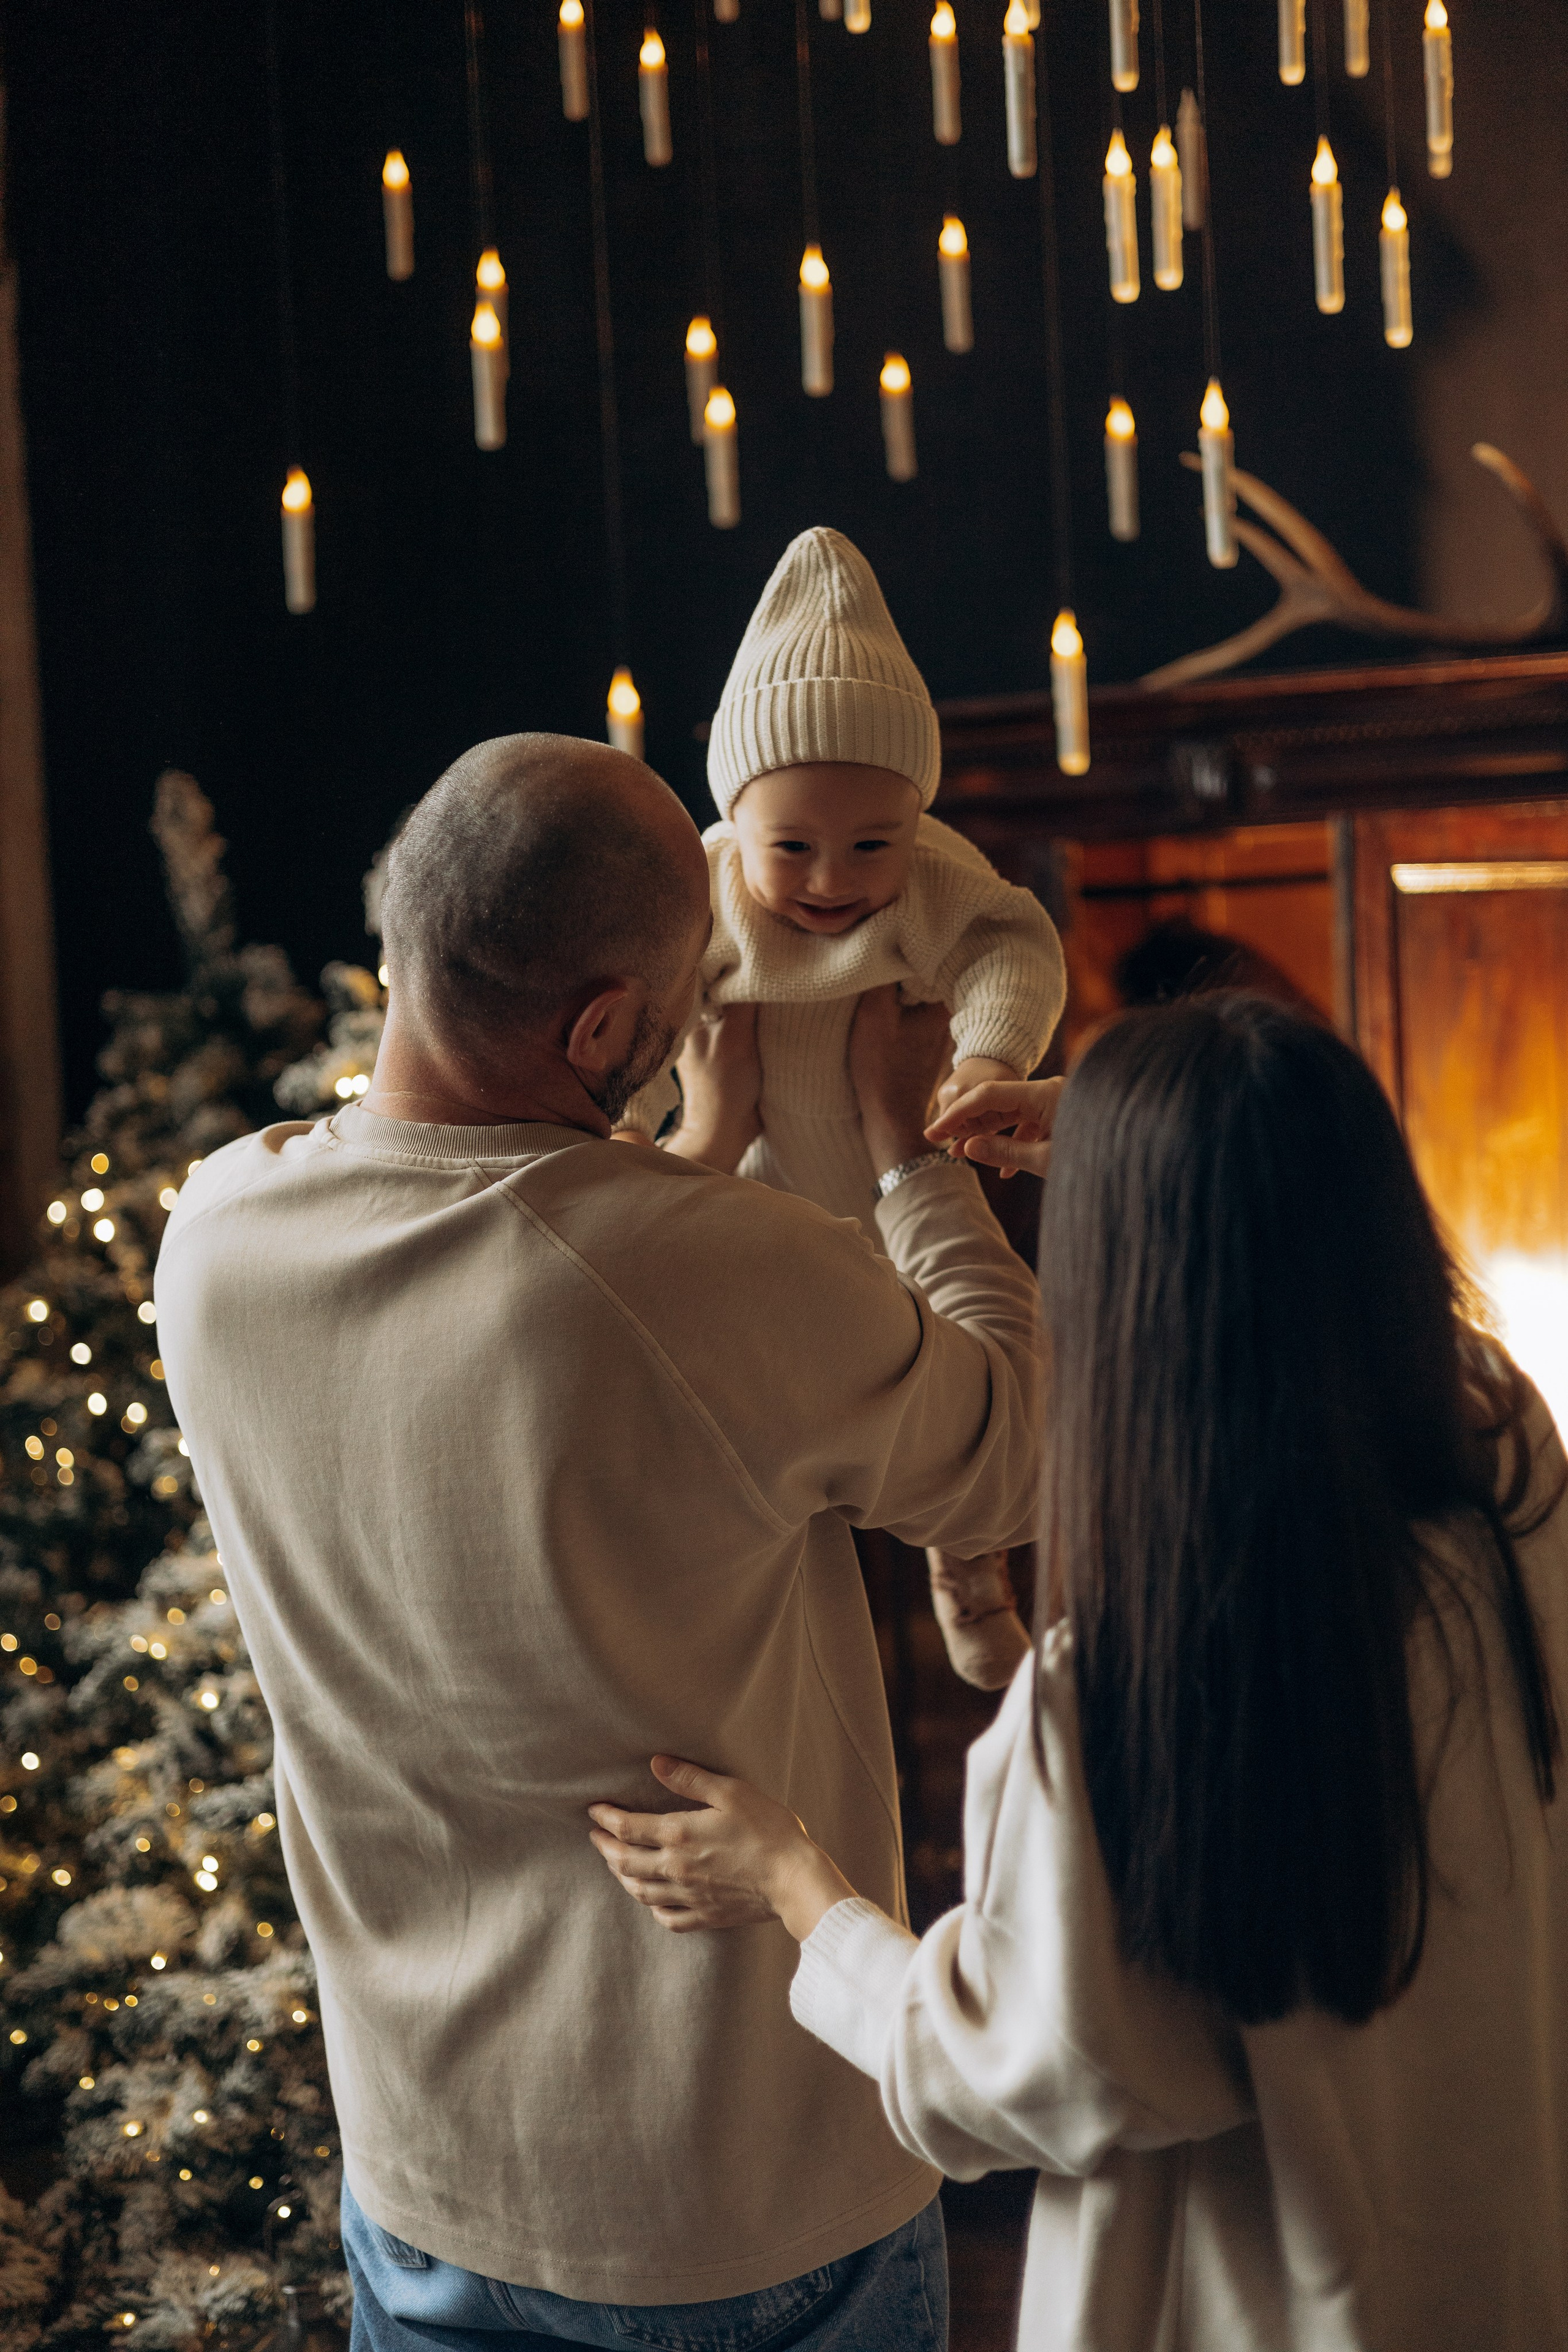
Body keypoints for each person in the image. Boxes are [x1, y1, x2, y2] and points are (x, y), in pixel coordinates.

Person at [153, 732, 1045, 2352]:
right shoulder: (728, 1272)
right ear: (612, 1027)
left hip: (424, 2182)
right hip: (743, 2202)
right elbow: (1010, 1459)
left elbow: (521, 1299)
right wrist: (909, 1150)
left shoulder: (213, 1240)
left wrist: (676, 1145)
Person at [588, 993, 1568, 2352]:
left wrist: (790, 1878)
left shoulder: (1131, 1691)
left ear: (1115, 1295)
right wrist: (1165, 1153)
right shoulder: (1509, 1502)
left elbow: (997, 2076)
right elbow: (1438, 1359)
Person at [622, 525, 1064, 1690]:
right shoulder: (703, 902)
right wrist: (660, 1129)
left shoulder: (930, 886)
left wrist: (986, 1055)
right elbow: (651, 1024)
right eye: (795, 847)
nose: (834, 880)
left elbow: (1010, 945)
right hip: (755, 1204)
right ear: (736, 822)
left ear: (916, 818)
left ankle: (972, 1577)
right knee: (749, 1397)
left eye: (873, 840)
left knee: (968, 1378)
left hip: (903, 1184)